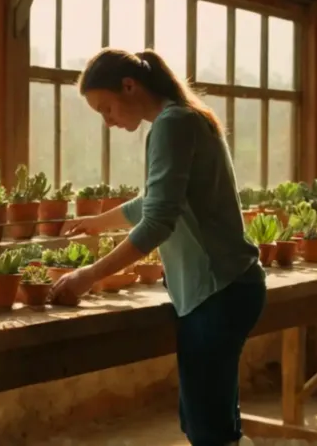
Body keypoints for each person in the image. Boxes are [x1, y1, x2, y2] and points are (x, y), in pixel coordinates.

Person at [51, 48, 266, 446]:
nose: (108, 121)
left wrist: (88, 276)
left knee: (209, 431)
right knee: (212, 424)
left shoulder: (172, 124)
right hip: (228, 288)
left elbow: (157, 223)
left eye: (106, 108)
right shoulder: (185, 117)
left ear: (129, 86)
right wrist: (97, 223)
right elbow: (156, 200)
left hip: (216, 292)